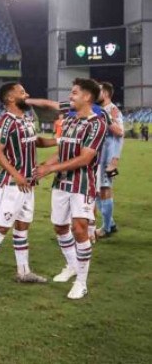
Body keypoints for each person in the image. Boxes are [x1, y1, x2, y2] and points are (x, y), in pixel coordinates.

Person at [0, 83, 55, 292]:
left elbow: (34, 141)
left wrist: (57, 141)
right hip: (11, 185)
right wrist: (16, 174)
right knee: (2, 227)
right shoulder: (6, 120)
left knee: (22, 228)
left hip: (28, 183)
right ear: (10, 99)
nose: (27, 95)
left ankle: (23, 271)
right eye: (22, 92)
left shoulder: (26, 119)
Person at [36, 78, 107, 300]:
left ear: (87, 96)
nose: (70, 96)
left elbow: (85, 159)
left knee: (79, 229)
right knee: (59, 227)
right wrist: (47, 165)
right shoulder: (69, 121)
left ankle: (81, 282)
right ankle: (72, 265)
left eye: (74, 93)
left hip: (83, 183)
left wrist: (50, 169)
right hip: (61, 183)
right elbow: (64, 149)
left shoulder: (97, 124)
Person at [95, 82, 124, 238]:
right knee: (96, 192)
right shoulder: (100, 110)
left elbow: (119, 132)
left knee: (105, 190)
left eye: (98, 91)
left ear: (105, 93)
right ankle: (110, 224)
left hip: (108, 159)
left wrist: (115, 160)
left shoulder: (113, 110)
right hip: (96, 159)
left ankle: (106, 228)